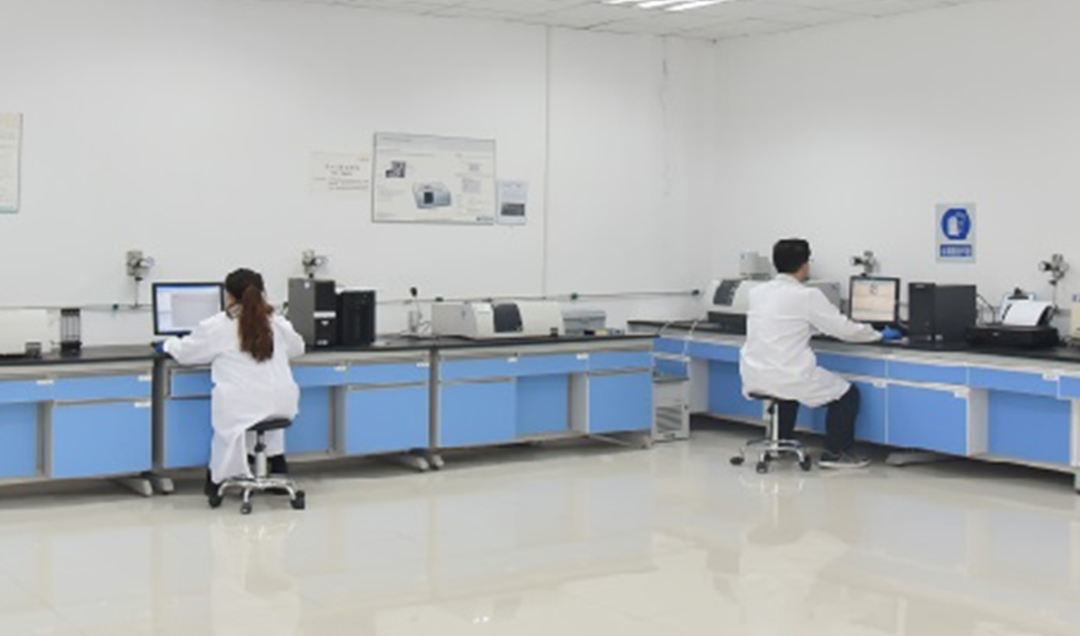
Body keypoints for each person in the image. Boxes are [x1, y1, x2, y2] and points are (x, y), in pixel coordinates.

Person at [739, 239, 901, 469]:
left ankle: (780, 443)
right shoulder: (806, 295)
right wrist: (878, 335)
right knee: (846, 395)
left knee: (785, 393)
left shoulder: (757, 292)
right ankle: (836, 454)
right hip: (788, 375)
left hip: (754, 374)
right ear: (805, 265)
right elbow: (843, 329)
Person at [160, 268, 306, 496]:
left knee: (235, 420)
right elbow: (298, 348)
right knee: (262, 406)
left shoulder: (219, 326)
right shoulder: (277, 322)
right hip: (283, 403)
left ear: (228, 295)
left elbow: (186, 353)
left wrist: (167, 344)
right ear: (262, 293)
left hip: (243, 406)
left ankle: (217, 481)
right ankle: (277, 466)